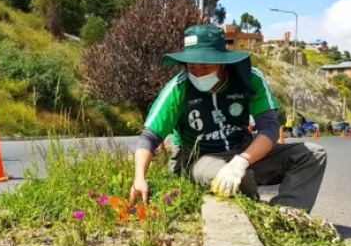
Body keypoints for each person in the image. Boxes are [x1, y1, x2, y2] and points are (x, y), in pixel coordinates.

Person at [130, 24, 327, 213]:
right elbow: (150, 137)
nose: (198, 74)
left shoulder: (250, 79)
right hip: (199, 159)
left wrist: (240, 162)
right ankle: (254, 212)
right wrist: (140, 177)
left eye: (205, 68)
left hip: (243, 151)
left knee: (312, 154)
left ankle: (286, 214)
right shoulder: (179, 88)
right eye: (192, 67)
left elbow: (269, 128)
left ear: (222, 63)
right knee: (241, 180)